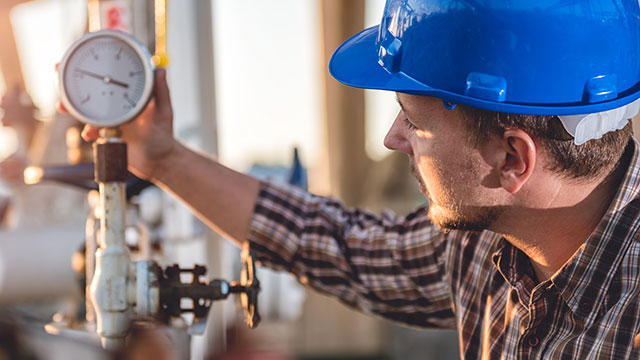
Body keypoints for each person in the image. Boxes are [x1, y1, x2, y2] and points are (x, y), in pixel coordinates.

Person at [66, 0, 640, 358]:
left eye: (413, 121)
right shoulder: (488, 244)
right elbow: (342, 247)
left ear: (514, 160)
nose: (394, 138)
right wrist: (161, 157)